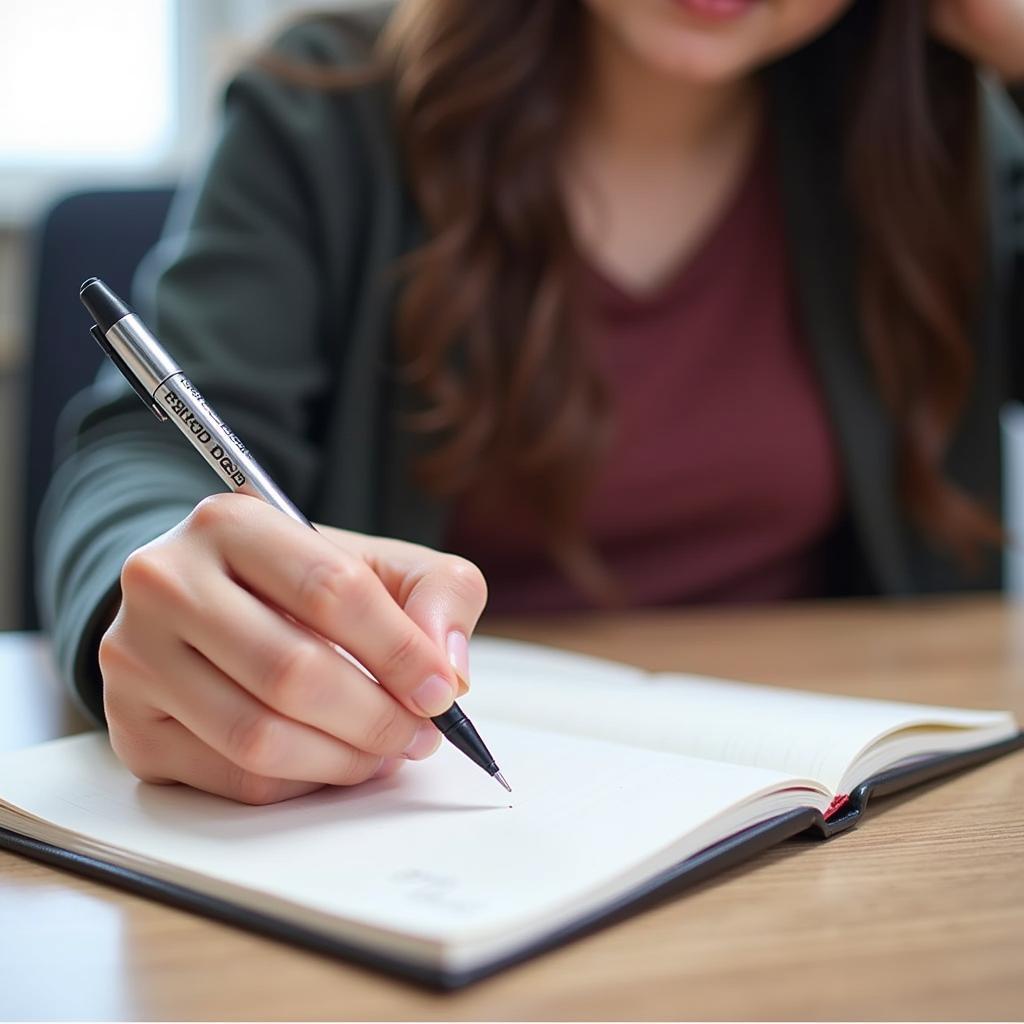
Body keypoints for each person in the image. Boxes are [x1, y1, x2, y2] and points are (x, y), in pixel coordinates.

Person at [38, 0, 1024, 804]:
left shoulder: (943, 137)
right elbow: (140, 450)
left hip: (845, 836)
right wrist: (147, 604)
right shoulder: (329, 109)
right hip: (413, 822)